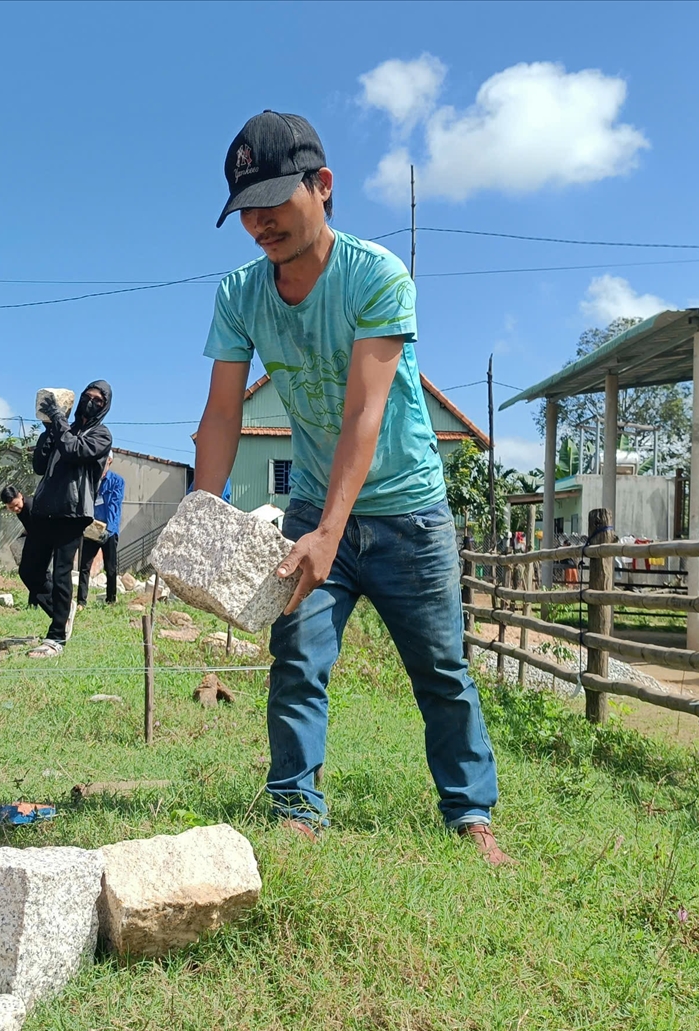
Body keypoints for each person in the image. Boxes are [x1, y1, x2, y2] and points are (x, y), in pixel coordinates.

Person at [192, 111, 510, 864]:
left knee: (441, 671)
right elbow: (222, 414)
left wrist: (331, 532)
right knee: (298, 659)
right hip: (311, 505)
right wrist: (199, 527)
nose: (261, 221)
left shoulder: (375, 276)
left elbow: (364, 415)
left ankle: (471, 818)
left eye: (275, 199)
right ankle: (297, 807)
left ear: (323, 186)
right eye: (246, 209)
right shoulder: (240, 295)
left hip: (408, 513)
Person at [20, 381, 112, 657]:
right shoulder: (63, 430)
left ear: (104, 406)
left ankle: (56, 637)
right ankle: (63, 610)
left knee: (62, 574)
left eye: (97, 400)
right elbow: (39, 465)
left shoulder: (101, 435)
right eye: (87, 396)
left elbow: (74, 450)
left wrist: (59, 419)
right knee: (30, 571)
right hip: (44, 508)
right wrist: (49, 429)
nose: (90, 402)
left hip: (72, 512)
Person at [77, 454, 123, 606]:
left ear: (109, 460)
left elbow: (114, 507)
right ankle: (81, 602)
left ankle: (111, 600)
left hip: (108, 530)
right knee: (84, 566)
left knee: (111, 567)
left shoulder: (116, 481)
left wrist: (108, 530)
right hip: (92, 528)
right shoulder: (91, 480)